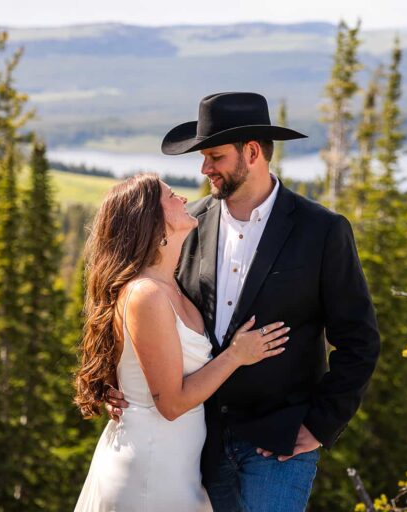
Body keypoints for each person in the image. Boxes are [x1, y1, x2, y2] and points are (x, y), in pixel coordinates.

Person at [106, 92, 381, 511]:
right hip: (197, 440)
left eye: (214, 156)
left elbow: (359, 339)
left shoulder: (321, 231)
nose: (204, 168)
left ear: (251, 152)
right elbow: (138, 300)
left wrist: (321, 424)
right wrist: (113, 380)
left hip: (278, 444)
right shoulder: (186, 226)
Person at [73, 173, 290, 511]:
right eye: (172, 196)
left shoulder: (172, 286)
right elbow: (171, 404)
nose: (184, 199)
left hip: (177, 467)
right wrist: (236, 355)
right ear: (152, 220)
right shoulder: (146, 294)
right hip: (149, 469)